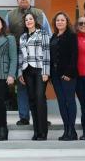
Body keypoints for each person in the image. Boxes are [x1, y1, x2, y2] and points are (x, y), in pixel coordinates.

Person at [6, 0, 52, 125]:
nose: (23, 0)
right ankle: (24, 117)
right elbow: (6, 35)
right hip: (20, 57)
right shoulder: (10, 15)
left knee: (39, 91)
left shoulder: (40, 13)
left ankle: (41, 117)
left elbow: (48, 35)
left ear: (30, 0)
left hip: (39, 60)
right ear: (17, 0)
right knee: (22, 87)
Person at [18, 12, 50, 140]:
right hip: (27, 70)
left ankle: (43, 132)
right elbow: (21, 55)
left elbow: (47, 53)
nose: (28, 21)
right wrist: (20, 72)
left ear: (35, 20)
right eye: (26, 19)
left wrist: (46, 72)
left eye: (30, 19)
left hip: (40, 69)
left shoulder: (43, 34)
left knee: (39, 98)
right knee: (32, 100)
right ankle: (36, 131)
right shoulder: (23, 37)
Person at [50, 12, 78, 141]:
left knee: (69, 101)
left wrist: (69, 73)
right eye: (57, 20)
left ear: (67, 22)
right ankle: (66, 129)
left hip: (68, 75)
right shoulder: (54, 36)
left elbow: (74, 56)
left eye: (62, 20)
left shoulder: (72, 36)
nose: (60, 22)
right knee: (61, 102)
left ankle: (72, 131)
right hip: (55, 75)